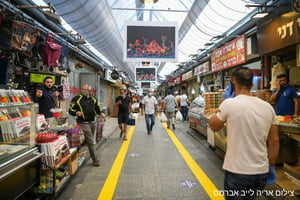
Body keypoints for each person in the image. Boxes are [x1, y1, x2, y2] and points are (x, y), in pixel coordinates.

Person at [209, 67, 279, 199]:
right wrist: (272, 165)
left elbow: (214, 126)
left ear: (233, 82)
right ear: (252, 84)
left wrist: (222, 107)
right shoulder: (267, 107)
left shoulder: (229, 104)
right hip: (261, 172)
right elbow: (274, 141)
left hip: (237, 171)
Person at [69, 84, 106, 167]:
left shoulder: (93, 99)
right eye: (82, 89)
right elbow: (70, 110)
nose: (83, 91)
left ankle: (83, 146)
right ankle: (95, 159)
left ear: (89, 91)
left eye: (85, 89)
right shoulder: (77, 99)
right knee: (91, 141)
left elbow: (98, 108)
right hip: (83, 122)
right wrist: (76, 113)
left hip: (93, 122)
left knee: (90, 139)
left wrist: (101, 113)